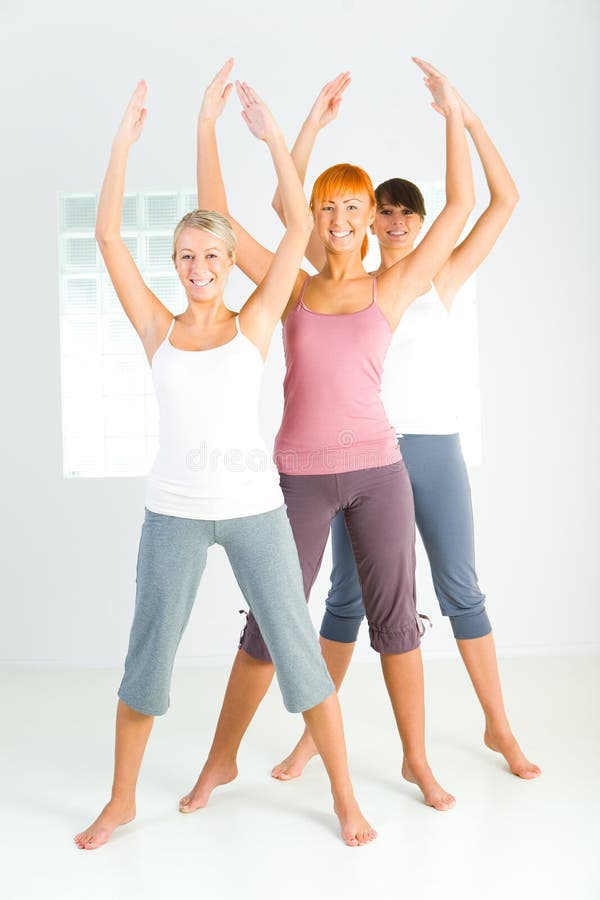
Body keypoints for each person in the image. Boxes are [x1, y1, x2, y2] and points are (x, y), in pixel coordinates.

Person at [74, 74, 377, 851]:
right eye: (187, 255)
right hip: (172, 513)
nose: (200, 265)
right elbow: (107, 237)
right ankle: (120, 800)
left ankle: (345, 799)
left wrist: (276, 136)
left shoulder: (256, 318)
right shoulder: (157, 326)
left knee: (297, 651)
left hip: (253, 512)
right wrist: (122, 143)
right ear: (175, 262)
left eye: (212, 253)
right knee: (149, 654)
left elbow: (295, 233)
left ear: (226, 258)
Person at [186, 57, 473, 813]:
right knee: (269, 627)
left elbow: (462, 204)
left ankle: (415, 760)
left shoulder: (395, 285)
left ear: (368, 213)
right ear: (311, 218)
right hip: (302, 480)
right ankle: (220, 760)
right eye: (327, 209)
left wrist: (452, 115)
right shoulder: (291, 284)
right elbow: (215, 223)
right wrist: (213, 128)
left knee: (397, 623)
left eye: (354, 208)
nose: (342, 221)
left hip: (381, 475)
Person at [268, 70, 541, 782]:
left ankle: (498, 727)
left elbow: (490, 201)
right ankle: (311, 737)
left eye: (403, 214)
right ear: (361, 221)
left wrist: (463, 117)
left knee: (460, 587)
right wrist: (309, 128)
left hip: (432, 449)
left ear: (417, 226)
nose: (391, 223)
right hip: (358, 459)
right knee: (345, 598)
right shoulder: (337, 285)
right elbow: (289, 212)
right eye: (380, 213)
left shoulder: (435, 278)